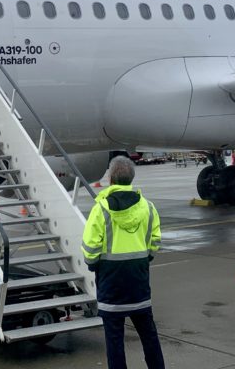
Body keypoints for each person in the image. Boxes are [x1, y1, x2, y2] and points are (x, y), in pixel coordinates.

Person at [82, 156, 165, 369]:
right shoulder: (148, 207)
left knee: (114, 340)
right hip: (138, 279)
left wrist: (94, 264)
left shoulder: (101, 209)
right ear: (132, 177)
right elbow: (155, 241)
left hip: (111, 283)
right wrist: (144, 258)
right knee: (149, 336)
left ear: (110, 179)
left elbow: (90, 248)